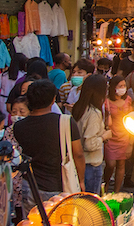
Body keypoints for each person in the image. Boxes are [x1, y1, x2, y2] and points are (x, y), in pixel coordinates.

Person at [12, 80, 84, 208]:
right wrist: (81, 180)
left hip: (30, 184)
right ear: (52, 100)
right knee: (58, 224)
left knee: (33, 225)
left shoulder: (18, 126)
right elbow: (78, 154)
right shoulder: (66, 122)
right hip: (58, 185)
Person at [72, 75, 109, 194]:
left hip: (79, 164)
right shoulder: (94, 113)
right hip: (91, 165)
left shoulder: (79, 108)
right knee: (91, 205)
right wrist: (104, 136)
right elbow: (89, 144)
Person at [104, 75, 134, 192]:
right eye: (120, 86)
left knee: (121, 164)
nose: (123, 88)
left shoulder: (128, 100)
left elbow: (131, 117)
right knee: (110, 164)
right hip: (111, 135)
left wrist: (131, 141)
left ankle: (116, 191)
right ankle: (105, 185)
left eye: (124, 86)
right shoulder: (106, 101)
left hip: (124, 135)